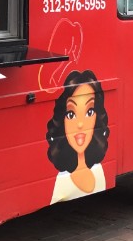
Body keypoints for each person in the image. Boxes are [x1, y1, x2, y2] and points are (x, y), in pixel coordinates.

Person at [46, 70, 109, 204]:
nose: (80, 124)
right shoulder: (62, 182)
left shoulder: (98, 169)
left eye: (89, 111)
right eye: (71, 114)